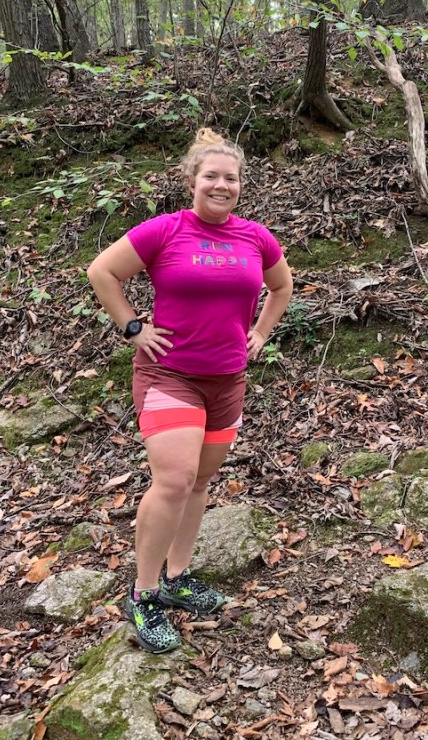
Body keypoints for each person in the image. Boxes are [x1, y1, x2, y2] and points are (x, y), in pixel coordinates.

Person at [87, 128, 293, 653]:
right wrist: (133, 327)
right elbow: (104, 272)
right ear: (192, 181)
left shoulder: (256, 237)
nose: (221, 186)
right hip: (169, 375)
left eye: (231, 178)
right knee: (174, 480)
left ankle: (177, 577)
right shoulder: (166, 230)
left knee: (200, 483)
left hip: (227, 380)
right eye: (211, 177)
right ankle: (144, 593)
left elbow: (282, 285)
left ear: (240, 185)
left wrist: (262, 332)